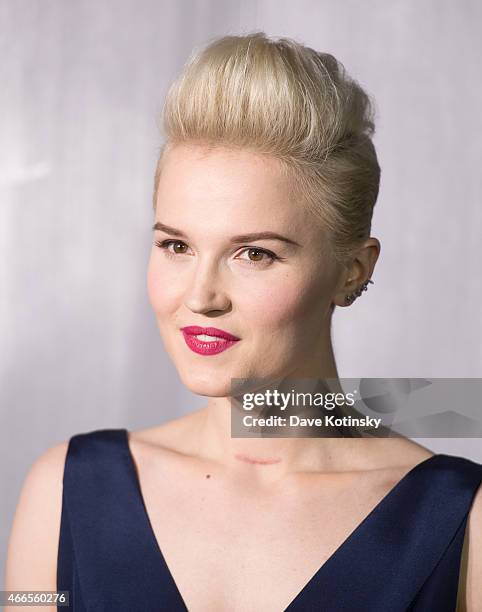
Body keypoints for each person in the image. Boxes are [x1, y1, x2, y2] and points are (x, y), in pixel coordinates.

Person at [5, 32, 482, 612]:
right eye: (176, 245)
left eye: (254, 253)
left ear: (352, 269)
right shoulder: (64, 491)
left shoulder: (464, 523)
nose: (200, 296)